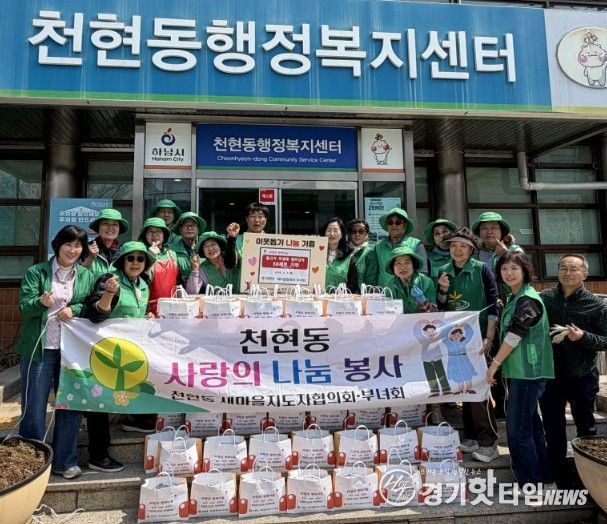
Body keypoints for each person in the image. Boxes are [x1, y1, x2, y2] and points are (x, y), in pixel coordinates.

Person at [16, 225, 99, 479]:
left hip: (71, 351)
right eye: (68, 244)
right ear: (58, 245)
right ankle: (31, 464)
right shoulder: (36, 272)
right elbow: (24, 306)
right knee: (34, 405)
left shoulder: (86, 275)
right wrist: (40, 303)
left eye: (78, 246)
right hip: (40, 349)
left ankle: (65, 461)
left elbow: (90, 305)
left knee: (70, 405)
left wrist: (75, 309)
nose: (73, 250)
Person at [538, 254, 607, 488]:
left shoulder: (596, 305)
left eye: (574, 269)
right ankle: (558, 478)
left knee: (586, 428)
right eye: (563, 268)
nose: (568, 273)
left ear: (585, 274)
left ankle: (590, 480)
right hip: (550, 375)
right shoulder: (545, 298)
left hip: (582, 375)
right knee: (553, 429)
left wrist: (583, 337)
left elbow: (605, 340)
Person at [487, 252, 554, 487]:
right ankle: (544, 478)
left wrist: (494, 365)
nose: (509, 273)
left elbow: (514, 336)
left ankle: (531, 482)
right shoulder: (515, 297)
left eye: (515, 268)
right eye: (504, 269)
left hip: (528, 373)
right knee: (532, 428)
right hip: (520, 372)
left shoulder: (528, 299)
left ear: (525, 271)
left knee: (518, 431)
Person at [436, 227, 499, 463]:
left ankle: (489, 442)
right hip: (454, 340)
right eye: (453, 245)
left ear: (472, 249)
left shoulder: (482, 269)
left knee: (479, 388)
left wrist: (489, 337)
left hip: (479, 337)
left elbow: (493, 305)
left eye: (463, 246)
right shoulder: (443, 270)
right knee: (463, 386)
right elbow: (440, 307)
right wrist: (442, 291)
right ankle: (471, 436)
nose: (457, 249)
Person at [86, 241, 157, 435]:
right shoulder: (110, 280)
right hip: (106, 349)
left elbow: (138, 311)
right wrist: (109, 292)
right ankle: (98, 449)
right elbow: (95, 315)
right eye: (130, 258)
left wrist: (147, 316)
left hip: (131, 351)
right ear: (122, 261)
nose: (135, 262)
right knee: (100, 397)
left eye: (140, 259)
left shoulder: (143, 285)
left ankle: (135, 419)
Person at [372, 207, 428, 288]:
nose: (393, 225)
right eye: (390, 222)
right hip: (384, 292)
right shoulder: (378, 246)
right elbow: (374, 272)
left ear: (405, 225)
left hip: (408, 293)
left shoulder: (417, 244)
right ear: (387, 226)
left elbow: (422, 273)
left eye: (398, 222)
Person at [138, 217, 181, 317]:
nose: (154, 235)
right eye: (150, 231)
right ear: (145, 235)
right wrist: (150, 256)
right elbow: (139, 281)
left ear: (164, 235)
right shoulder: (139, 254)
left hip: (171, 308)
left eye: (158, 231)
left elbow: (178, 282)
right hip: (147, 309)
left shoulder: (172, 254)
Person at [186, 225, 240, 294]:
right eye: (206, 246)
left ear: (219, 246)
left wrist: (232, 236)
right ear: (203, 251)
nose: (210, 248)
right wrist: (195, 269)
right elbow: (191, 292)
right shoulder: (203, 268)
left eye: (213, 244)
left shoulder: (232, 257)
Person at [385, 246, 436, 313]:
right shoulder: (389, 286)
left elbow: (434, 313)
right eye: (398, 263)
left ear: (413, 265)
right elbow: (388, 313)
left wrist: (423, 301)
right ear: (393, 267)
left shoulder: (427, 282)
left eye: (407, 262)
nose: (403, 267)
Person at [82, 208, 129, 276]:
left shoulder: (124, 252)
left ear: (119, 228)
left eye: (114, 224)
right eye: (105, 223)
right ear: (98, 227)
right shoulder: (85, 249)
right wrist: (90, 258)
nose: (110, 227)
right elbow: (78, 276)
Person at [168, 211, 206, 281]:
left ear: (198, 230)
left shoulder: (205, 250)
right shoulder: (169, 250)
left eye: (193, 225)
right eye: (186, 225)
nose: (189, 228)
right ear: (180, 230)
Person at [320, 217, 356, 291]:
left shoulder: (349, 257)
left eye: (335, 230)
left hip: (340, 297)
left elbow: (352, 284)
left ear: (342, 234)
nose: (332, 234)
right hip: (319, 297)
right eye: (329, 230)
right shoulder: (317, 254)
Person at [346, 218, 378, 292]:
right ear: (349, 234)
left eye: (361, 231)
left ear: (366, 235)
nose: (357, 234)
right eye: (354, 231)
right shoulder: (343, 252)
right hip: (341, 295)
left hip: (361, 297)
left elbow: (370, 285)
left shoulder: (370, 254)